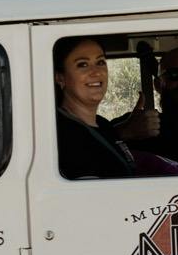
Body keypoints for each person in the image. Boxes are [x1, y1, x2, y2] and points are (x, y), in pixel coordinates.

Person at [53, 37, 139, 179]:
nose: (96, 72)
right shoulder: (61, 134)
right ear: (60, 78)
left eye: (100, 62)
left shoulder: (104, 125)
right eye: (83, 65)